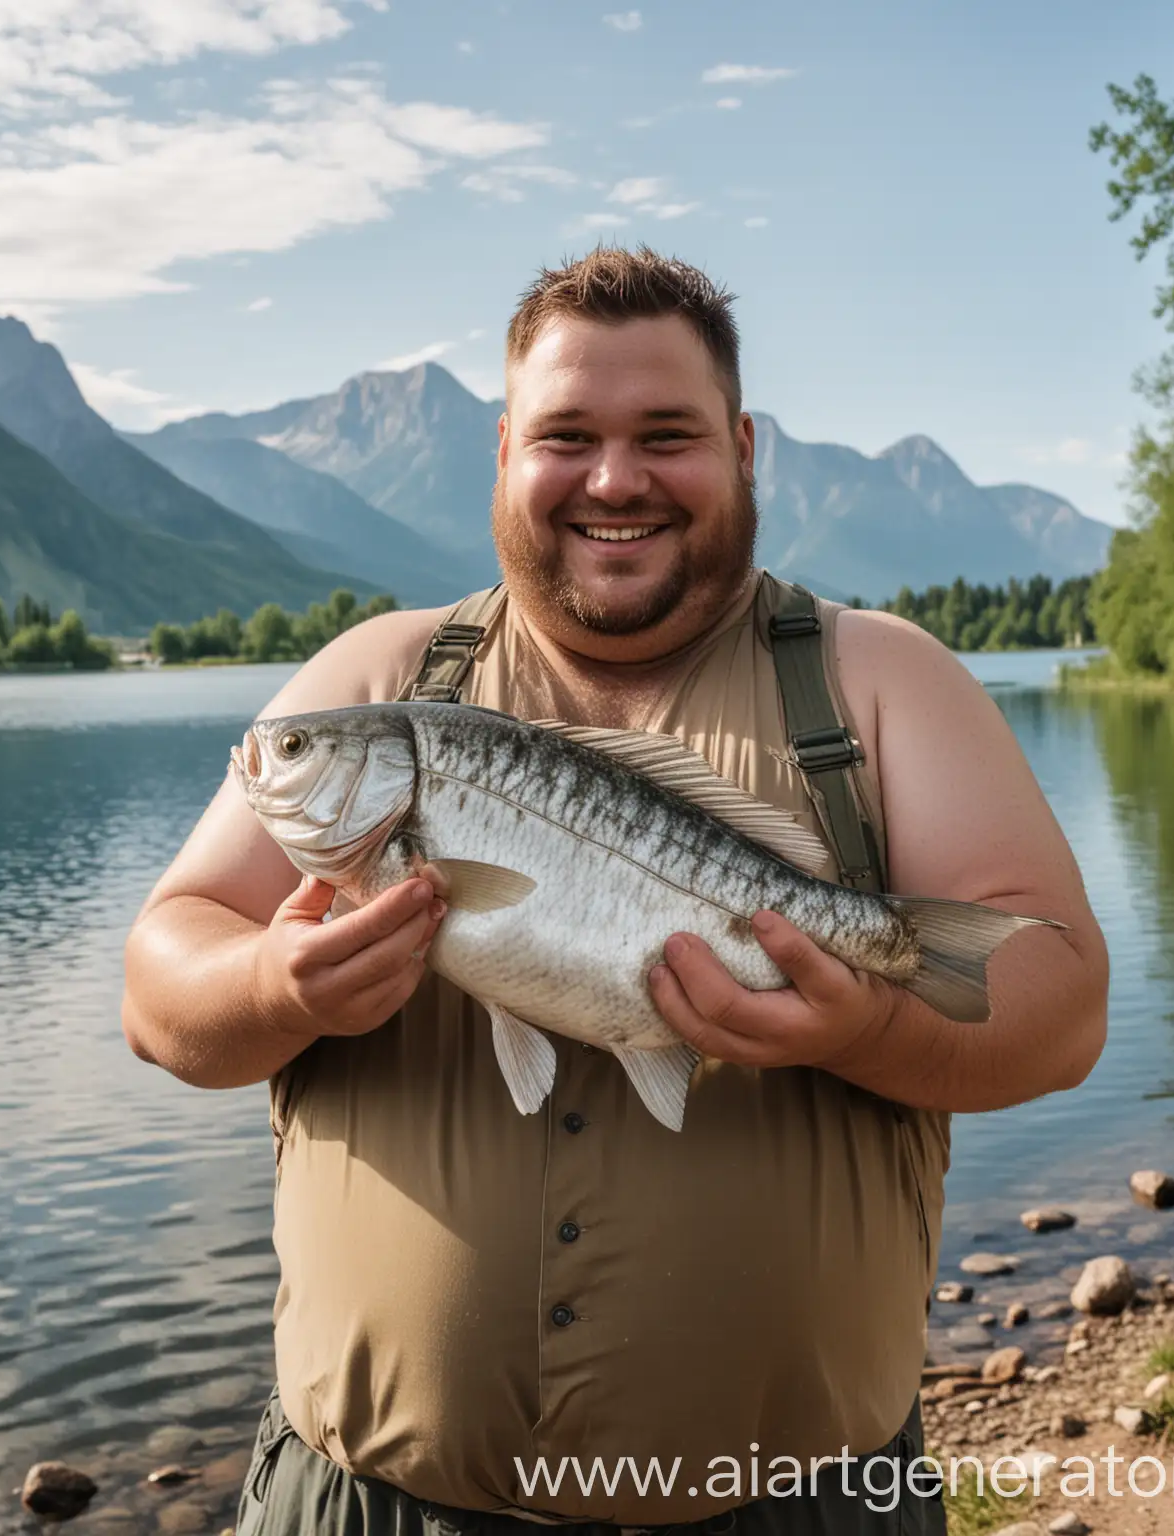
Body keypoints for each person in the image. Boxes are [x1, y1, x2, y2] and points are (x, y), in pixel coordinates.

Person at [121, 247, 1109, 1536]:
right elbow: (160, 978)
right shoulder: (373, 679)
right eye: (567, 435)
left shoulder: (884, 683)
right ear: (505, 452)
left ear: (743, 446)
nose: (615, 478)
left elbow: (1060, 995)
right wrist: (271, 981)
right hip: (366, 1504)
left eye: (667, 435)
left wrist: (868, 1027)